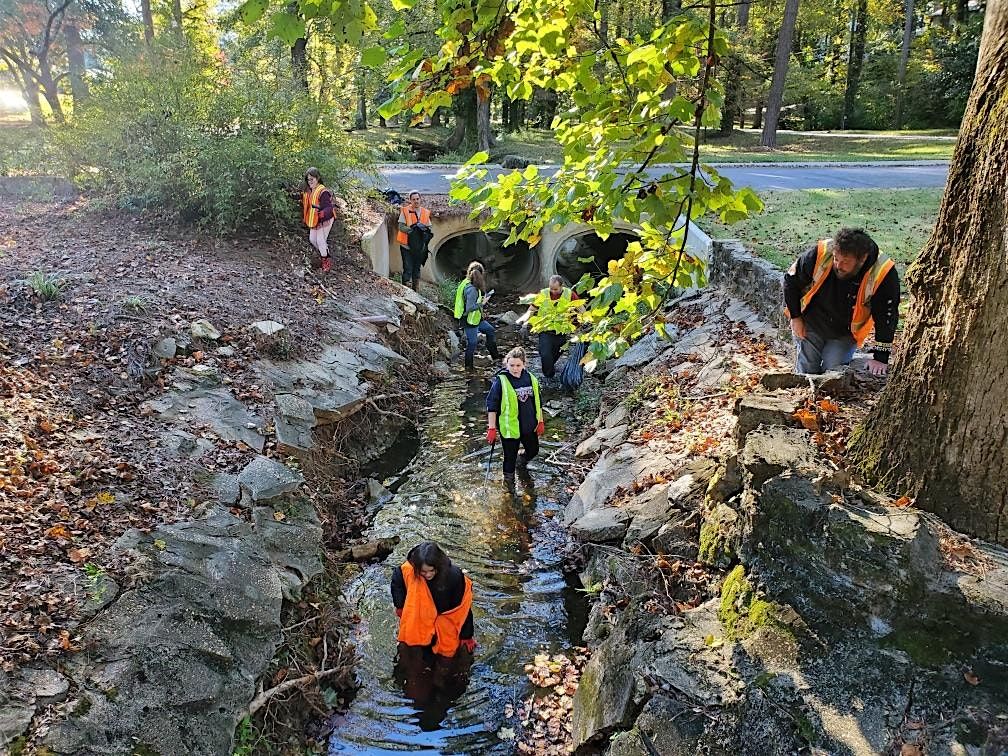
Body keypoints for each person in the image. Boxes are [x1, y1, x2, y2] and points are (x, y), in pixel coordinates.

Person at [783, 227, 900, 376]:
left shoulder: (883, 272)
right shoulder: (820, 253)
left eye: (845, 262)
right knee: (807, 369)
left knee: (833, 367)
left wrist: (880, 358)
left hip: (845, 332)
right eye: (836, 258)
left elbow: (887, 315)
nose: (838, 265)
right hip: (811, 321)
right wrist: (795, 317)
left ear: (862, 259)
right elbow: (791, 281)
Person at [391, 541, 475, 658]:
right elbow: (397, 582)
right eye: (423, 572)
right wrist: (400, 606)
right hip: (420, 621)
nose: (428, 575)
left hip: (444, 621)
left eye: (432, 571)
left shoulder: (453, 576)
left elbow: (463, 608)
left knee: (446, 661)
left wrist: (467, 635)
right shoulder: (408, 570)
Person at [486, 346, 545, 488]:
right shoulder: (501, 381)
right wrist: (492, 428)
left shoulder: (531, 378)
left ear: (524, 364)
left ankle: (522, 462)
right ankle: (508, 487)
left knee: (533, 450)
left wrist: (541, 421)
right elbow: (492, 405)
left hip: (529, 426)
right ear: (506, 363)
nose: (514, 368)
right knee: (509, 459)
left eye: (518, 365)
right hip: (510, 427)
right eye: (511, 365)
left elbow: (538, 401)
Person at [517, 274, 580, 386]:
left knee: (555, 355)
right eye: (551, 288)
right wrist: (525, 323)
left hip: (562, 332)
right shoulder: (543, 294)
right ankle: (549, 377)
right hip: (545, 330)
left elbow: (581, 309)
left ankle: (549, 374)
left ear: (562, 287)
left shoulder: (570, 295)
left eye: (555, 289)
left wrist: (587, 322)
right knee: (545, 354)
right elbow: (531, 310)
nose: (553, 291)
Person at [453, 261, 500, 371]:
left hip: (476, 318)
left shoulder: (466, 283)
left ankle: (495, 356)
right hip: (469, 319)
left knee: (490, 330)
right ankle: (468, 367)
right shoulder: (471, 289)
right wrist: (482, 303)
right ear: (481, 274)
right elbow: (470, 307)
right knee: (472, 343)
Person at [302, 167, 336, 273]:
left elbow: (329, 208)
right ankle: (325, 253)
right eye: (308, 180)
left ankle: (326, 262)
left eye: (312, 179)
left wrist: (323, 213)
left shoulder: (323, 191)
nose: (310, 182)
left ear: (318, 178)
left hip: (326, 218)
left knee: (320, 240)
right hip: (315, 219)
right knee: (312, 239)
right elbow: (303, 199)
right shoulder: (310, 191)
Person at [397, 191, 432, 291]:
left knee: (416, 270)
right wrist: (413, 231)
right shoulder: (405, 211)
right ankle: (405, 292)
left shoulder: (425, 212)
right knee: (408, 269)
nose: (416, 201)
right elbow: (401, 227)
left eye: (417, 199)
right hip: (406, 246)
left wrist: (423, 231)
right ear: (410, 200)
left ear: (420, 199)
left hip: (419, 247)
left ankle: (415, 291)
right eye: (413, 199)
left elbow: (429, 226)